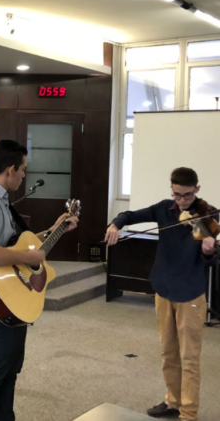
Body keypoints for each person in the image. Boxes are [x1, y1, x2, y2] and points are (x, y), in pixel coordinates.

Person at [0, 139, 78, 421]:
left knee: (7, 373)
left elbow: (18, 247)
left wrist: (54, 229)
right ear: (10, 169)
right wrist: (26, 257)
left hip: (10, 302)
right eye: (23, 169)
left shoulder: (0, 199)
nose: (24, 175)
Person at [105, 167, 218, 421]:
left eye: (188, 195)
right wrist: (115, 224)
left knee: (190, 358)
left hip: (190, 293)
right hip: (164, 289)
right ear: (172, 190)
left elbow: (210, 261)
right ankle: (172, 402)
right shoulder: (163, 209)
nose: (182, 201)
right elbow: (130, 214)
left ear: (197, 190)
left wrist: (209, 249)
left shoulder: (208, 215)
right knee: (168, 352)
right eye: (177, 195)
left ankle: (188, 413)